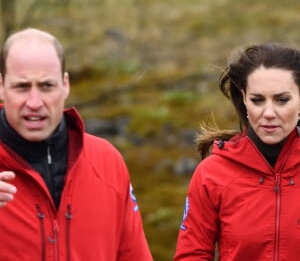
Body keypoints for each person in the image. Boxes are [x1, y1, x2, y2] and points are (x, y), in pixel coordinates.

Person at [0, 27, 153, 260]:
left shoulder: (107, 162)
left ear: (65, 84)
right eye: (22, 87)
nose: (34, 102)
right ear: (1, 86)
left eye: (46, 86)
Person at [174, 42, 300, 260]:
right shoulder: (212, 174)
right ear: (243, 98)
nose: (269, 112)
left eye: (282, 100)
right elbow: (191, 255)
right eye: (257, 100)